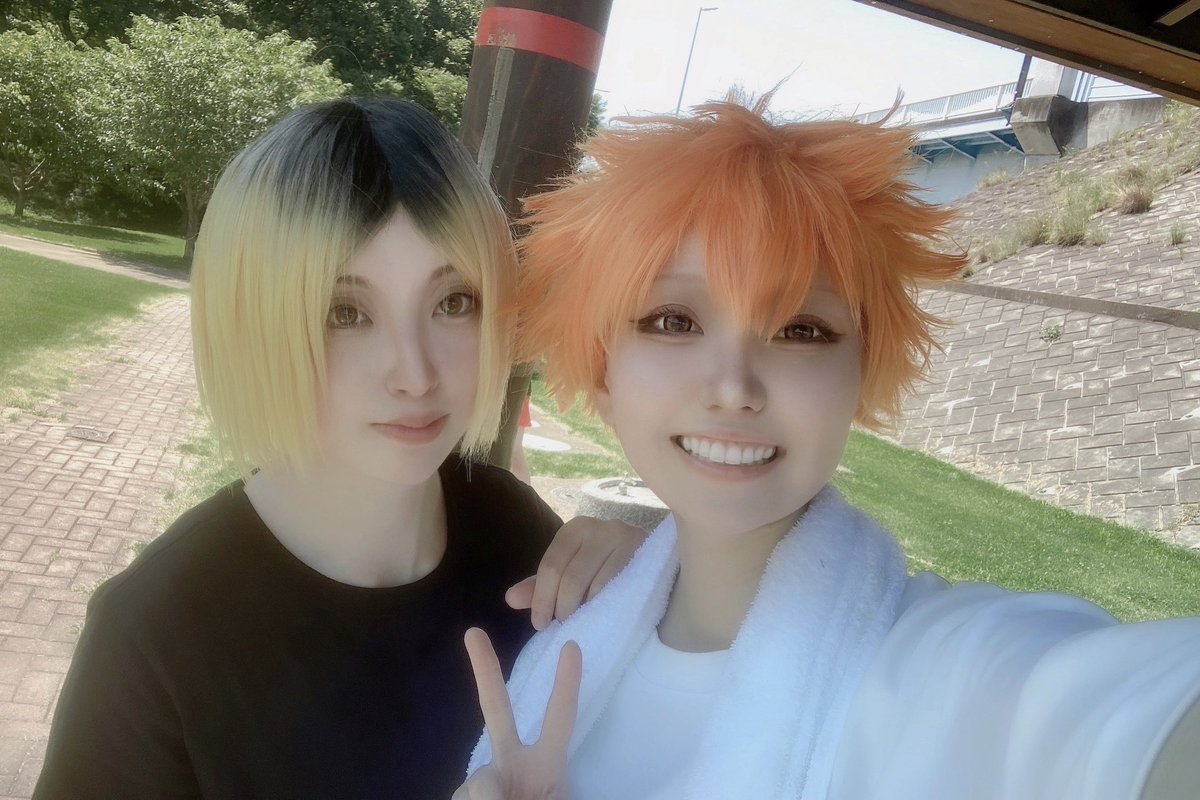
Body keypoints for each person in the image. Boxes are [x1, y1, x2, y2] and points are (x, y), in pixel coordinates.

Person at [457, 97, 1200, 799]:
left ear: (860, 376)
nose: (733, 388)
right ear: (603, 375)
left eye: (800, 329)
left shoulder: (948, 669)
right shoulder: (568, 636)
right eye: (673, 321)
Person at [33, 98, 642, 800]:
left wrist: (650, 588)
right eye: (345, 313)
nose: (414, 374)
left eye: (453, 302)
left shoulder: (518, 534)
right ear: (255, 322)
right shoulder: (155, 633)